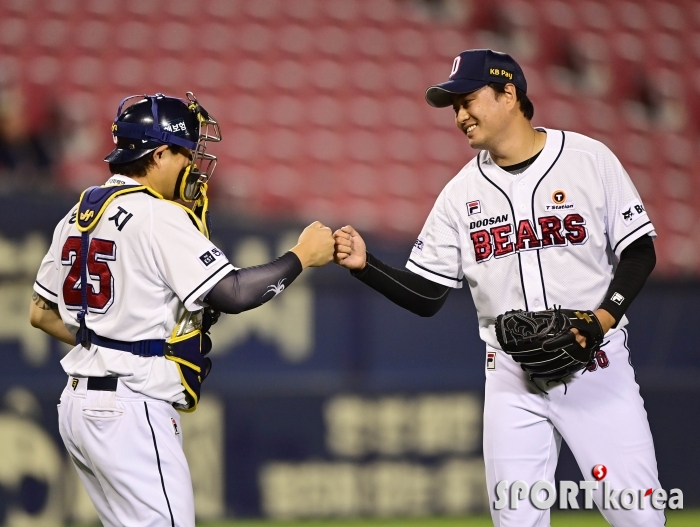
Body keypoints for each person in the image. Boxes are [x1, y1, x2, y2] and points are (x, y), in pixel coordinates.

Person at [334, 49, 662, 526]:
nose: (461, 116)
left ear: (510, 94)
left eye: (467, 100)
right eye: (454, 107)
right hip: (510, 376)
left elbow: (639, 251)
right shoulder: (459, 195)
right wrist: (367, 267)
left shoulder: (589, 159)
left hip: (596, 359)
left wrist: (602, 318)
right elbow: (428, 296)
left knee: (640, 518)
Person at [29, 92, 334, 527]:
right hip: (131, 409)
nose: (192, 164)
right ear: (158, 154)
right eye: (184, 152)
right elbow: (232, 293)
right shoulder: (157, 215)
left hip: (77, 406)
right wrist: (302, 256)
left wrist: (106, 341)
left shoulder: (80, 213)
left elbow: (40, 313)